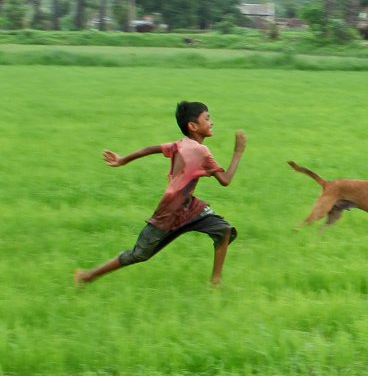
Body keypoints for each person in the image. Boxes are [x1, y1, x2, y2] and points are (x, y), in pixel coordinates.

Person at [74, 101, 247, 287]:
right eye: (207, 118)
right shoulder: (201, 150)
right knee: (139, 254)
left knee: (224, 230)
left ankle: (215, 282)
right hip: (170, 211)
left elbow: (150, 149)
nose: (211, 122)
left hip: (189, 207)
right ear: (193, 126)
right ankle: (87, 276)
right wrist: (238, 152)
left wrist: (123, 160)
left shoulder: (180, 144)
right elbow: (225, 180)